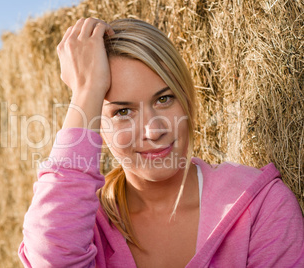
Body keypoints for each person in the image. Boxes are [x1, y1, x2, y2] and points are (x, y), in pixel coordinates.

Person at [18, 18, 304, 267]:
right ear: (96, 125)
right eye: (122, 112)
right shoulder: (86, 226)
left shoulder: (259, 207)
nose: (153, 131)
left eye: (164, 99)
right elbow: (52, 260)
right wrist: (85, 91)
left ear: (187, 98)